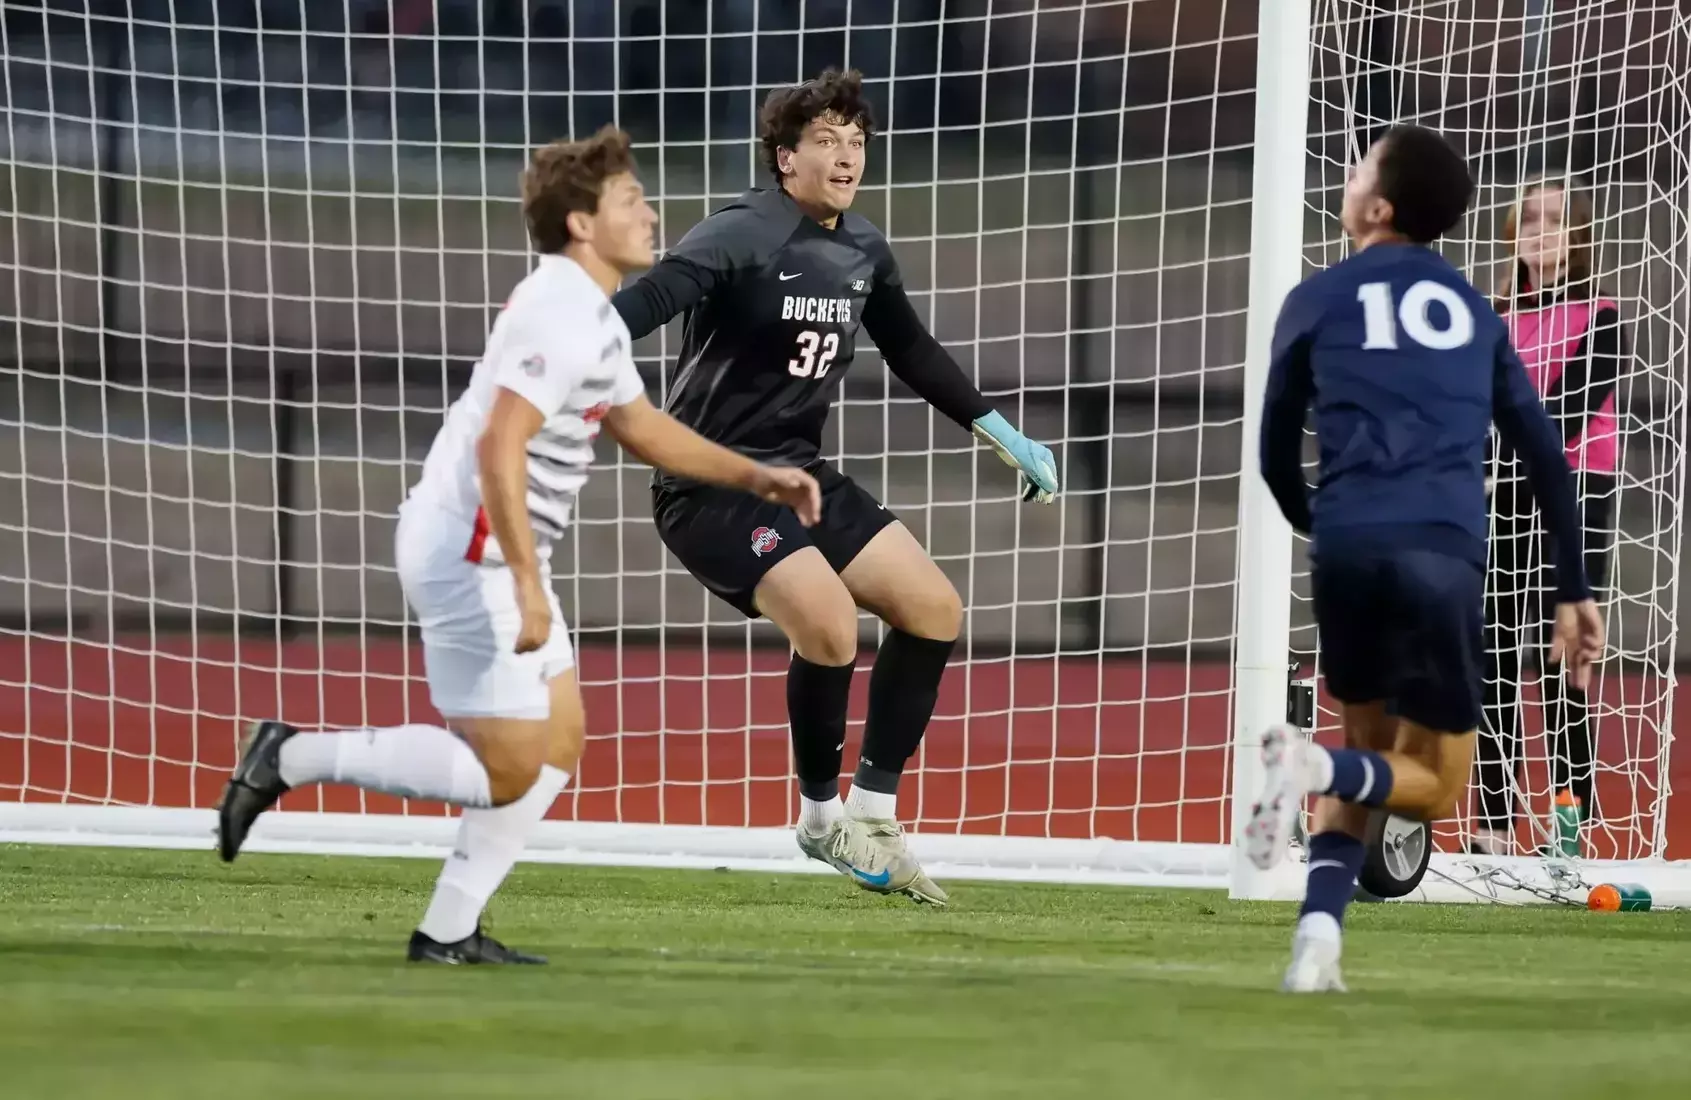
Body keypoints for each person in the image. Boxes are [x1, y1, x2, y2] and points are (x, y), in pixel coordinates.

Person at [215, 127, 821, 965]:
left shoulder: (591, 312)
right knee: (504, 768)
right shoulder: (560, 313)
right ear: (582, 223)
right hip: (473, 553)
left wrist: (757, 477)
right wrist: (530, 586)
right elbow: (500, 443)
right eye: (630, 201)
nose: (650, 214)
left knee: (557, 741)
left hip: (494, 550)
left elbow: (641, 427)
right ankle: (292, 755)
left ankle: (448, 931)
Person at [611, 68, 1059, 907]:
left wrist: (997, 429)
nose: (846, 155)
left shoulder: (862, 248)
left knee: (932, 608)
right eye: (825, 140)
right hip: (709, 483)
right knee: (827, 624)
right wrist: (575, 333)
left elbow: (912, 349)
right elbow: (655, 297)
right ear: (785, 158)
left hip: (798, 476)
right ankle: (820, 820)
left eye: (855, 141)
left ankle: (873, 814)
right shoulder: (740, 230)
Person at [1243, 125, 1605, 992]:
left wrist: (1322, 524)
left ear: (1378, 208)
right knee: (1434, 786)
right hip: (1440, 551)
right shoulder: (1474, 309)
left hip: (1346, 545)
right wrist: (1571, 587)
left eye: (1360, 167)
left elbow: (1273, 455)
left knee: (1367, 751)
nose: (1347, 175)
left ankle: (1316, 943)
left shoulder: (1315, 297)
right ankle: (1308, 770)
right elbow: (1545, 454)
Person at [1472, 176, 1627, 857]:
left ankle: (1567, 832)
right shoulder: (1491, 320)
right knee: (1496, 652)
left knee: (1564, 658)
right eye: (1529, 218)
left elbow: (1567, 411)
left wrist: (1498, 458)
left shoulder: (1603, 315)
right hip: (1501, 491)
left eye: (1555, 219)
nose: (1540, 229)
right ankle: (1492, 825)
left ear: (1577, 235)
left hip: (1575, 489)